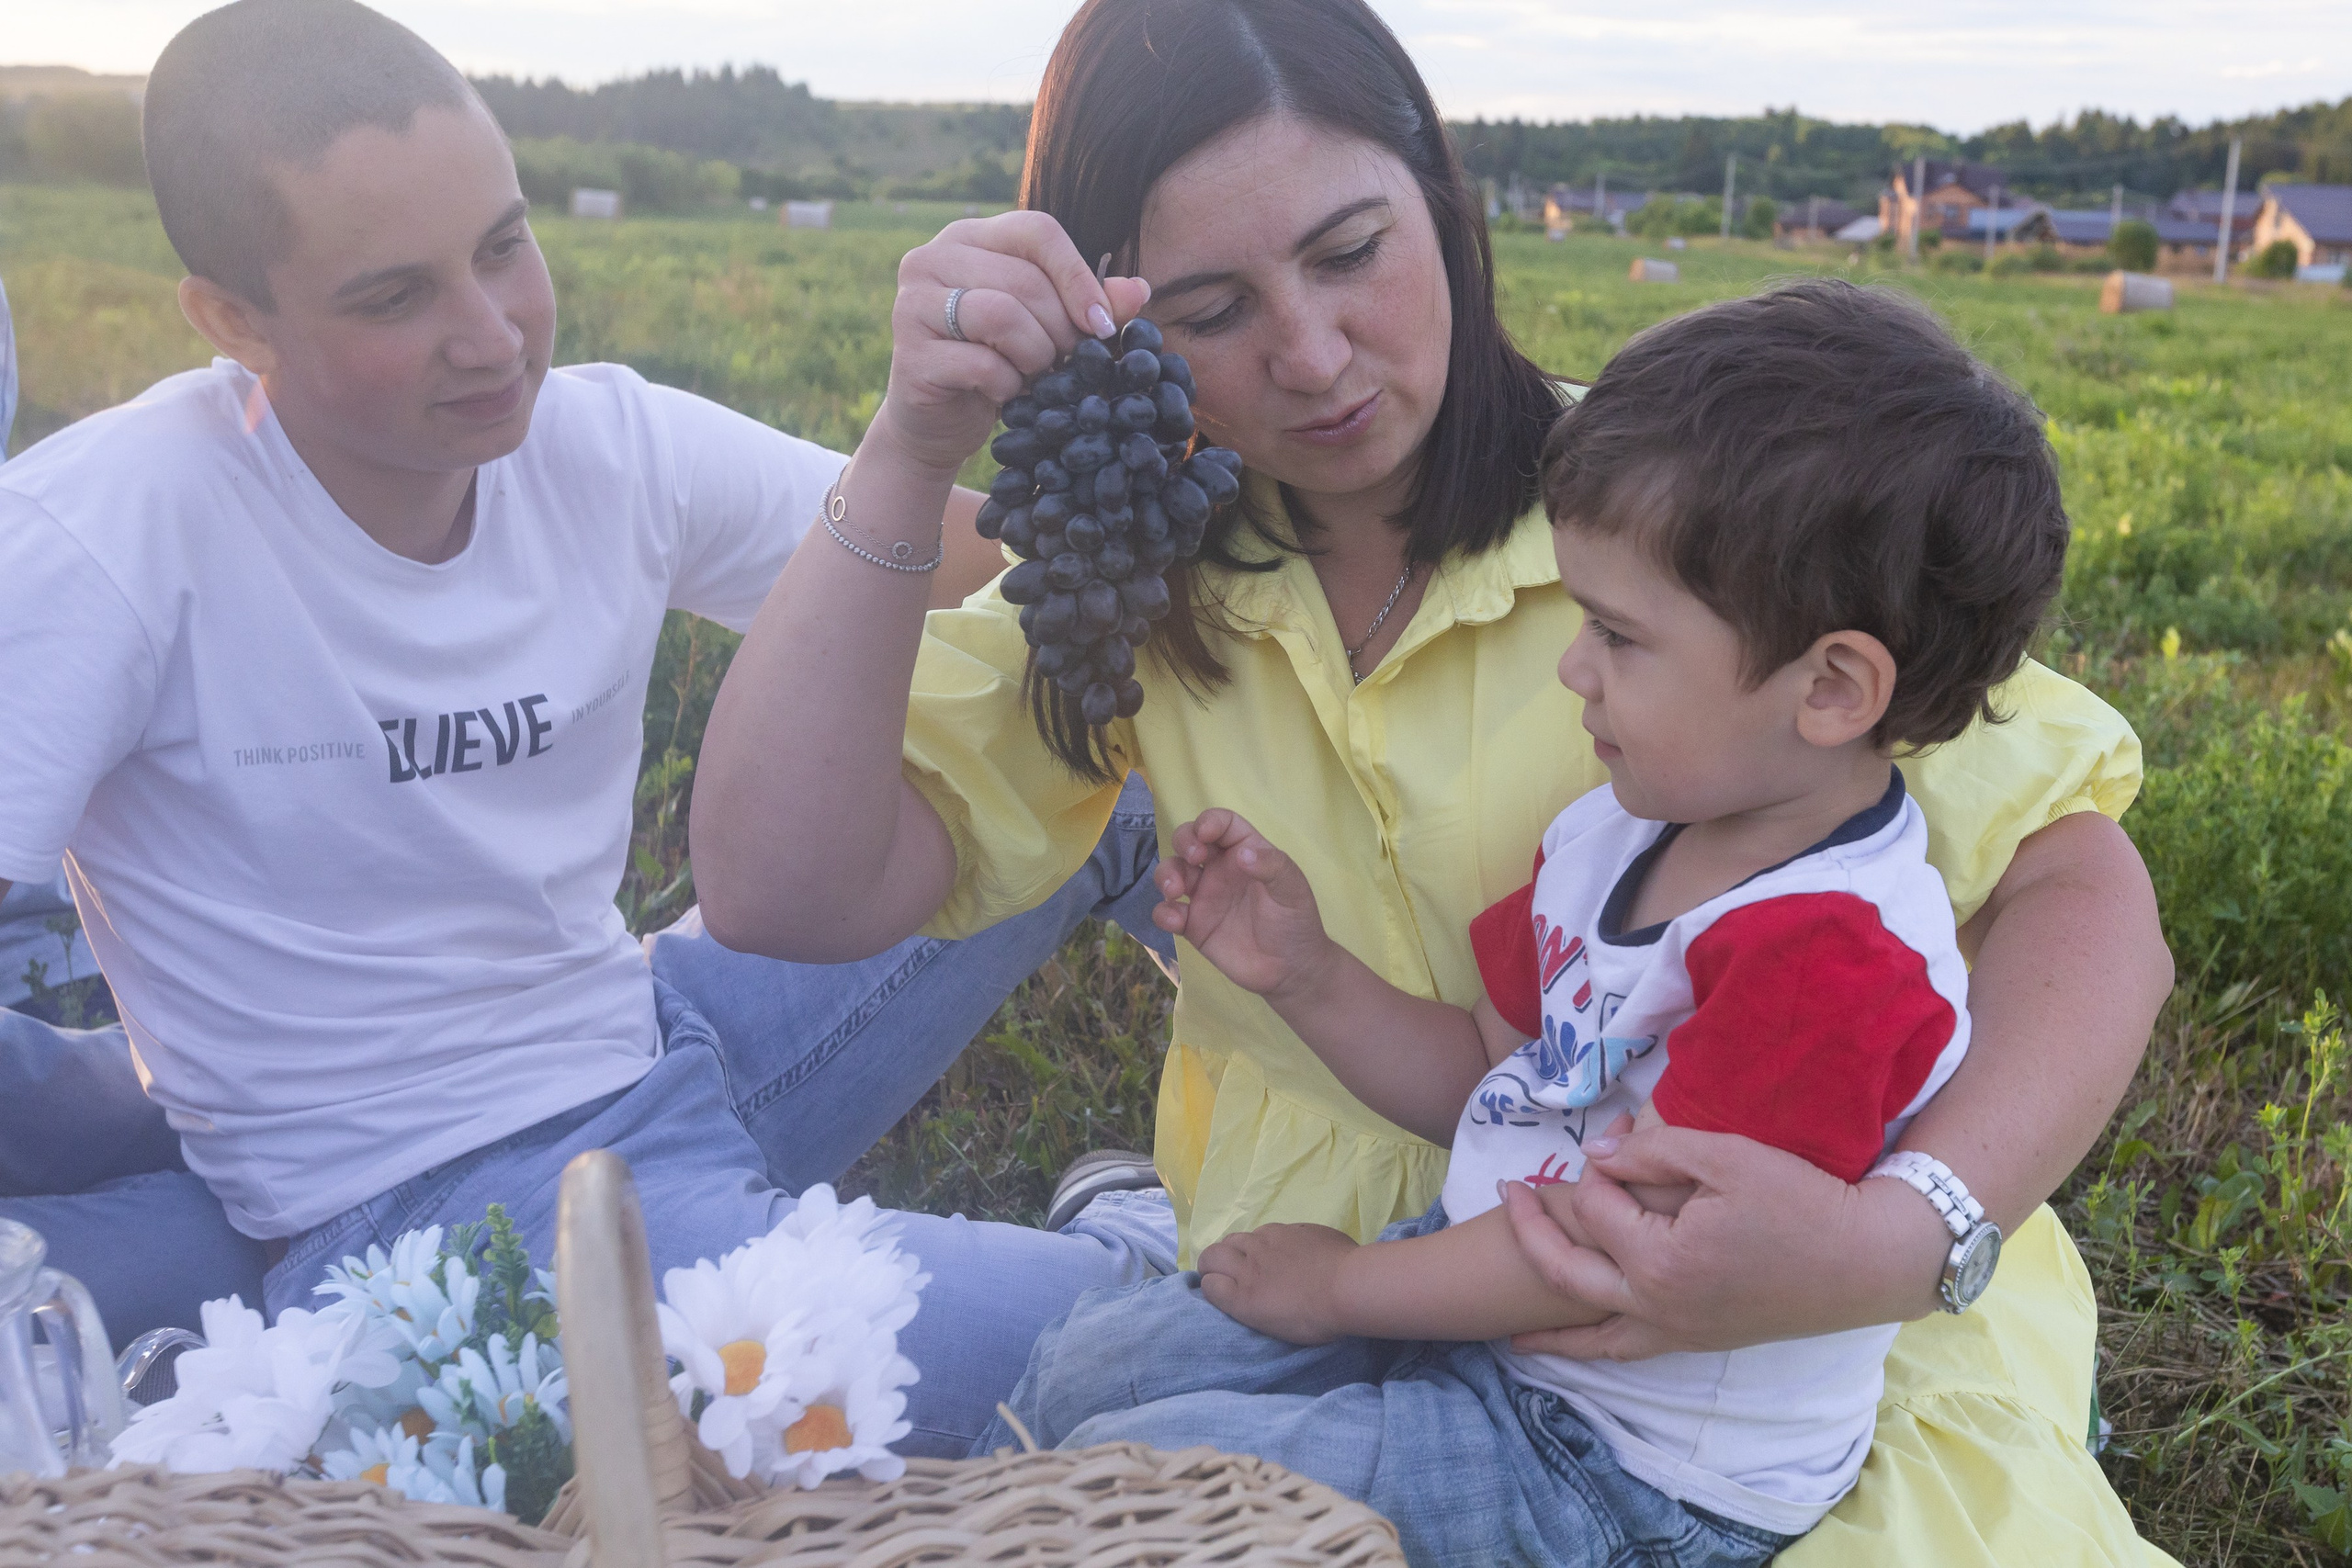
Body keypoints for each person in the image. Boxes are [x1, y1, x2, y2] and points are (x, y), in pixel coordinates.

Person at [690, 0, 2175, 1560]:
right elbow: (779, 885)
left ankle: (1112, 1226)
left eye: (1349, 254)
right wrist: (911, 445)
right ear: (1114, 316)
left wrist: (1899, 1238)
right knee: (1086, 1438)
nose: (1314, 356)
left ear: (1444, 205)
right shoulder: (1143, 578)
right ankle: (1126, 1229)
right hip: (1342, 1272)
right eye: (1209, 306)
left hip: (1754, 1333)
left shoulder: (1692, 531)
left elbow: (2081, 894)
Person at [0, 0, 1177, 1439]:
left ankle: (1441, 1123)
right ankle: (1139, 1243)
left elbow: (966, 552)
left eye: (505, 245)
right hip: (437, 1221)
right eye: (395, 297)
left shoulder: (604, 442)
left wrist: (1276, 486)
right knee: (1178, 1360)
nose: (493, 335)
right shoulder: (109, 534)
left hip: (656, 1033)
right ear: (234, 318)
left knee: (1114, 745)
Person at [972, 281, 2056, 1566]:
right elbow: (1490, 1078)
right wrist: (1307, 973)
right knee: (1103, 1368)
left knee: (1152, 1497)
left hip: (1623, 1467)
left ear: (1830, 687)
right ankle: (976, 1519)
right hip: (1491, 1293)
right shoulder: (1621, 829)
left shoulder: (1836, 959)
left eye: (1617, 635)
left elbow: (1626, 1256)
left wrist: (1341, 1292)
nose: (1572, 668)